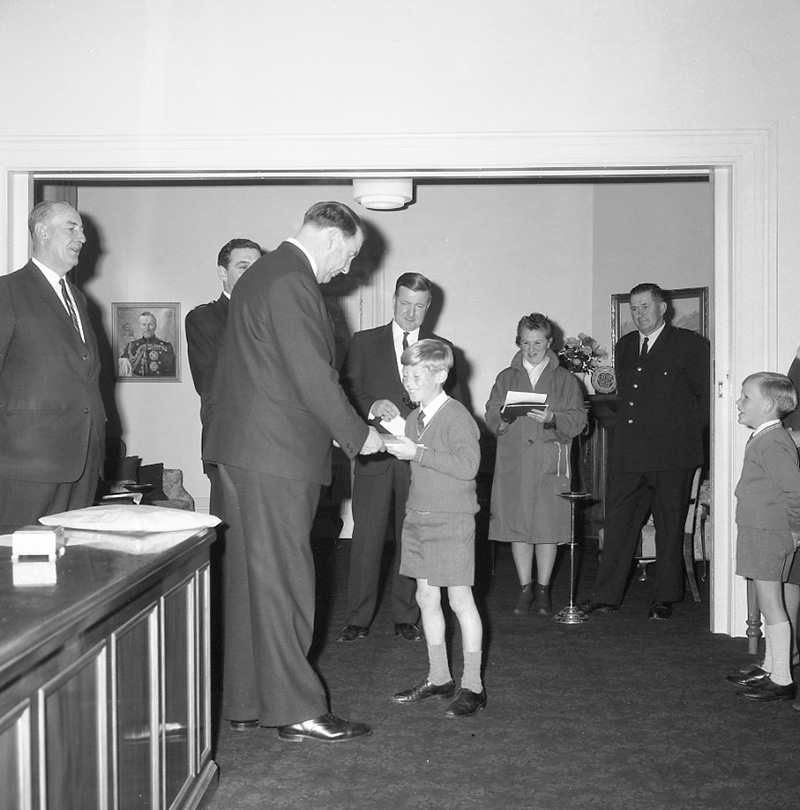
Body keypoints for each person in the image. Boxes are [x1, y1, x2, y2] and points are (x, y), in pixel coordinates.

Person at [204, 201, 384, 743]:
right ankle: (297, 709)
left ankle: (246, 700)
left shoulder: (264, 273)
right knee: (287, 581)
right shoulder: (293, 278)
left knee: (249, 583)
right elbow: (312, 374)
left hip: (243, 451)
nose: (348, 269)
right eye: (349, 255)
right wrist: (359, 435)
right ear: (331, 239)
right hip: (276, 455)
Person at [337, 272, 463, 643]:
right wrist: (372, 404)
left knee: (413, 538)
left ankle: (406, 614)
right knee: (366, 538)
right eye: (405, 304)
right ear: (393, 301)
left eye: (419, 306)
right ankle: (358, 617)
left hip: (419, 459)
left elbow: (456, 405)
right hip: (375, 455)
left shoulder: (441, 347)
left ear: (428, 307)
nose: (411, 313)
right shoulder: (364, 341)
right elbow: (348, 389)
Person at [580, 282, 710, 619]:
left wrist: (686, 439)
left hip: (672, 455)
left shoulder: (689, 344)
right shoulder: (625, 346)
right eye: (634, 309)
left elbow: (704, 399)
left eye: (645, 307)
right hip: (630, 453)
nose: (639, 314)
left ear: (662, 307)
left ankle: (663, 597)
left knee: (669, 526)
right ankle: (606, 595)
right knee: (619, 522)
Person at [386, 339, 485, 718]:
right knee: (427, 599)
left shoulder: (456, 416)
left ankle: (473, 685)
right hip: (419, 518)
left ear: (440, 375)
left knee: (460, 601)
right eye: (405, 375)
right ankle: (440, 676)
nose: (408, 382)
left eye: (415, 376)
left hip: (452, 520)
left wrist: (418, 452)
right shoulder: (416, 418)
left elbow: (467, 466)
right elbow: (415, 454)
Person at [0, 200, 106, 526]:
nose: (83, 238)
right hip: (28, 463)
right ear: (42, 232)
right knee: (21, 565)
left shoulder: (78, 297)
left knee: (73, 562)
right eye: (72, 228)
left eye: (83, 229)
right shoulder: (7, 291)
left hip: (84, 460)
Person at [485, 313, 587, 615]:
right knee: (518, 528)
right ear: (519, 342)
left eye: (538, 343)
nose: (531, 350)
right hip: (514, 463)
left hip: (547, 465)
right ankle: (525, 588)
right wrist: (503, 415)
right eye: (526, 343)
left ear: (549, 343)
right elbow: (491, 415)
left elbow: (579, 419)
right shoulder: (506, 377)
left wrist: (553, 418)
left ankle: (543, 590)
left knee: (547, 528)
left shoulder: (565, 379)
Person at [725, 372, 800, 702]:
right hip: (758, 530)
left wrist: (795, 530)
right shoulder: (767, 436)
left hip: (769, 533)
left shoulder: (773, 443)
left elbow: (796, 490)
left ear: (768, 405)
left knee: (772, 606)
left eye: (746, 397)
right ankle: (772, 668)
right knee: (768, 602)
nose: (739, 402)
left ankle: (782, 679)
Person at [185, 238, 262, 517]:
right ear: (222, 273)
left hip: (272, 450)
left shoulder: (273, 316)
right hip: (229, 445)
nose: (252, 276)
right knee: (230, 539)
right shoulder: (204, 319)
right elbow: (211, 385)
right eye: (243, 267)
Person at [119, 311, 176, 377]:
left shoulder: (166, 347)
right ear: (139, 326)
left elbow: (172, 374)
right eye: (143, 324)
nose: (147, 328)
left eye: (150, 324)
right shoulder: (131, 346)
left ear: (155, 326)